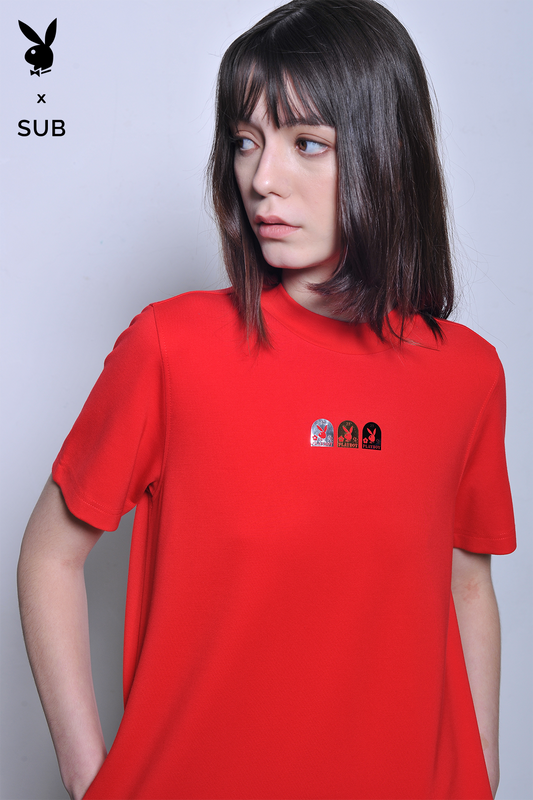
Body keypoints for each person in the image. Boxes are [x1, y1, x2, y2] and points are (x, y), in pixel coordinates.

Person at [17, 1, 516, 798]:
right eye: (245, 141)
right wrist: (91, 783)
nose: (260, 179)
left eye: (305, 143)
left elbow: (465, 584)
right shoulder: (171, 348)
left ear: (388, 155)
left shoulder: (467, 374)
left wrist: (480, 778)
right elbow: (51, 555)